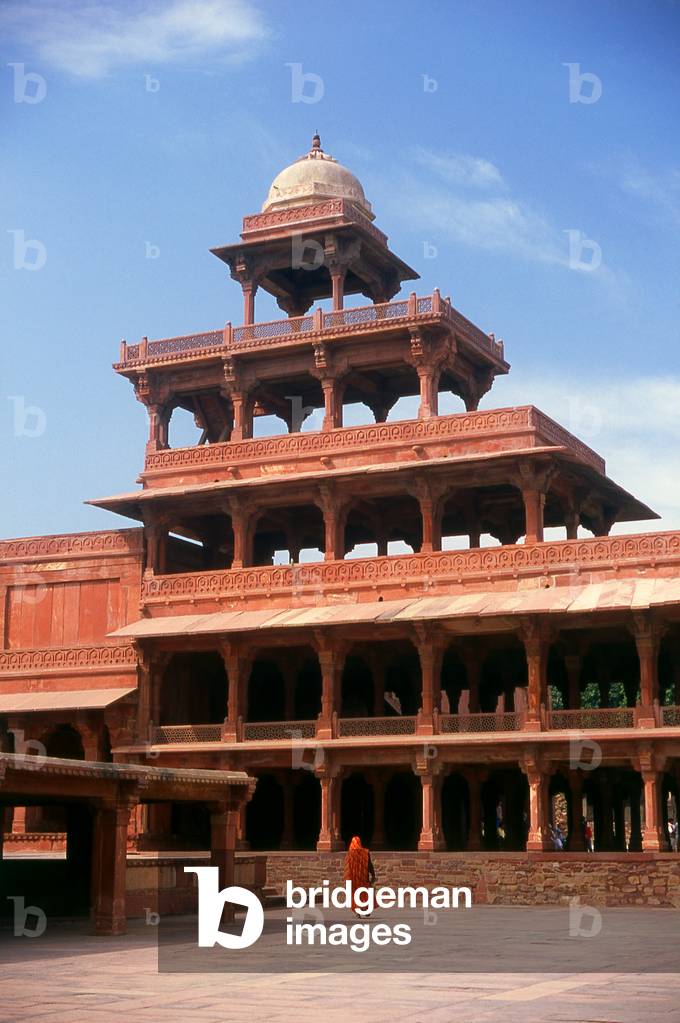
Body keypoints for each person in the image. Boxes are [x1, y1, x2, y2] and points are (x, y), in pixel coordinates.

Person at [344, 835, 375, 915]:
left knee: (355, 893)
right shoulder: (365, 852)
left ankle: (358, 909)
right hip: (364, 876)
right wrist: (373, 875)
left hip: (354, 877)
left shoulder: (349, 854)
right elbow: (369, 864)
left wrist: (347, 878)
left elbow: (347, 867)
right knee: (364, 893)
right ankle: (365, 908)